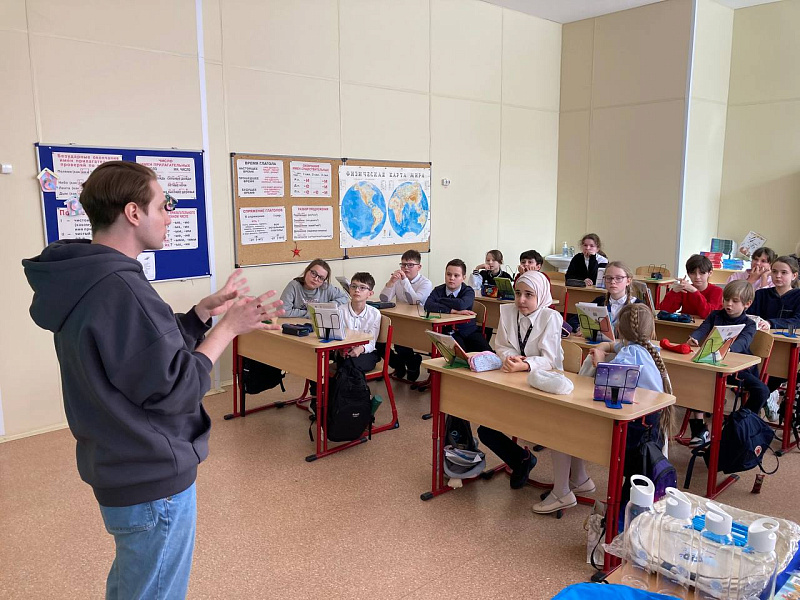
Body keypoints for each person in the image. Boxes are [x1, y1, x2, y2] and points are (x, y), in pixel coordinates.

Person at [22, 161, 284, 599]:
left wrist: (201, 315)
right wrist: (228, 329)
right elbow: (178, 389)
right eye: (165, 205)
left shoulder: (88, 279)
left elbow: (141, 354)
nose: (170, 216)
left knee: (135, 585)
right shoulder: (121, 288)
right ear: (133, 212)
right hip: (150, 475)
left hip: (118, 464)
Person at [533, 304, 673, 514]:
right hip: (648, 425)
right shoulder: (647, 349)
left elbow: (611, 383)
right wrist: (606, 347)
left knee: (563, 425)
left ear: (619, 329)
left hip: (635, 431)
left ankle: (572, 494)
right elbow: (617, 346)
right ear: (651, 330)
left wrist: (599, 363)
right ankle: (581, 480)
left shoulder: (630, 353)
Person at [477, 271, 563, 489]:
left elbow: (550, 360)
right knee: (485, 429)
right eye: (517, 293)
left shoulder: (550, 317)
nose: (521, 300)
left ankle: (562, 482)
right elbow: (501, 345)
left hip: (543, 382)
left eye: (528, 294)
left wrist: (525, 364)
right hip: (512, 378)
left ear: (541, 295)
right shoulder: (507, 311)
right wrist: (511, 358)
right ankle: (521, 459)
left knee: (533, 425)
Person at [685, 280, 768, 446]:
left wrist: (728, 348)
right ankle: (699, 429)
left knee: (762, 390)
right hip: (711, 365)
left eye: (735, 301)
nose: (728, 304)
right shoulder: (715, 315)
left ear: (747, 304)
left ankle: (739, 423)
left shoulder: (750, 324)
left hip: (737, 370)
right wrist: (694, 338)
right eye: (726, 299)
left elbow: (743, 342)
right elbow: (703, 328)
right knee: (695, 380)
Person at [379, 249, 433, 381]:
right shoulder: (398, 281)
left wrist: (404, 281)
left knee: (401, 344)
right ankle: (399, 365)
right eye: (403, 265)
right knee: (379, 343)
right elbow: (384, 299)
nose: (406, 268)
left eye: (410, 265)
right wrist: (391, 282)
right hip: (400, 320)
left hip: (417, 323)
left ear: (419, 267)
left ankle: (412, 363)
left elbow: (414, 301)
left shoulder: (425, 283)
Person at [424, 258, 493, 353]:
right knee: (460, 354)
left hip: (469, 330)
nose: (451, 278)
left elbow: (461, 305)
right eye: (448, 274)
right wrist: (453, 311)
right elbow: (428, 305)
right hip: (447, 331)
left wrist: (439, 300)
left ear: (463, 277)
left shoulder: (468, 291)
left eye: (456, 275)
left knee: (489, 354)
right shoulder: (438, 290)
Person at [338, 272, 382, 373]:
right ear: (349, 289)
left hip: (366, 353)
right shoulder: (340, 310)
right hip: (344, 352)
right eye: (353, 286)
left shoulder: (374, 314)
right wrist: (340, 349)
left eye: (362, 288)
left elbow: (372, 343)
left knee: (349, 367)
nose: (357, 290)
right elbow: (337, 336)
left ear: (370, 294)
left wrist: (360, 349)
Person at [280, 258, 349, 318]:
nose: (316, 279)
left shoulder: (326, 288)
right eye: (313, 273)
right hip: (296, 324)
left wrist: (327, 306)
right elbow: (283, 312)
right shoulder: (294, 286)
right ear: (306, 271)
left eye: (321, 278)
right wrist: (314, 313)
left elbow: (345, 298)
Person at [660, 253, 722, 318]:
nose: (697, 277)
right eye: (693, 273)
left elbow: (709, 315)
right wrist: (673, 292)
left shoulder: (717, 291)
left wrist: (695, 292)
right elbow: (664, 312)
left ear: (710, 273)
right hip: (686, 323)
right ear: (688, 274)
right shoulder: (684, 289)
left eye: (702, 273)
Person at [747, 255, 800, 332]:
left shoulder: (798, 295)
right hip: (761, 336)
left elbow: (798, 320)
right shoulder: (760, 294)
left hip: (788, 337)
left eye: (784, 272)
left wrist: (770, 323)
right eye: (774, 271)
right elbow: (748, 316)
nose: (778, 276)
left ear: (794, 276)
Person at [471, 249, 512, 340]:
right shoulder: (483, 274)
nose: (490, 263)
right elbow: (474, 286)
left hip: (498, 308)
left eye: (493, 260)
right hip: (485, 305)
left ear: (500, 262)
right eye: (487, 260)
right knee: (483, 328)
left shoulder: (506, 276)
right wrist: (478, 268)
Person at [590, 261, 641, 329]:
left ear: (628, 281)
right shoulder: (599, 301)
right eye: (608, 278)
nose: (612, 282)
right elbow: (576, 319)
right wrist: (579, 328)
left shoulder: (638, 306)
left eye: (618, 278)